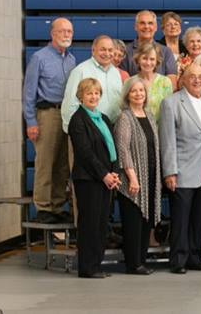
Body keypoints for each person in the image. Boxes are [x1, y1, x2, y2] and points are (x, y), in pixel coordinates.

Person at [158, 64, 201, 274]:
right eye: (192, 76)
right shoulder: (171, 103)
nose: (197, 80)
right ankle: (178, 260)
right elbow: (167, 141)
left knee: (199, 219)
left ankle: (195, 257)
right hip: (182, 170)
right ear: (183, 79)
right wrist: (169, 171)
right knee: (181, 219)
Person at [68, 78, 121, 278]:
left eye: (96, 93)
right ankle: (87, 267)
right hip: (88, 179)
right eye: (89, 93)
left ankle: (97, 265)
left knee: (101, 223)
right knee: (89, 224)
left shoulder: (104, 118)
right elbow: (85, 153)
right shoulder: (77, 120)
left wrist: (114, 171)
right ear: (81, 96)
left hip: (105, 179)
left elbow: (112, 149)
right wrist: (104, 174)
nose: (93, 96)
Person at [23, 17, 75, 224]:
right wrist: (30, 122)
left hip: (66, 115)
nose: (66, 35)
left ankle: (57, 204)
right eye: (62, 31)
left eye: (69, 32)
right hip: (46, 114)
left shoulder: (71, 59)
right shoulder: (39, 57)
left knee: (63, 163)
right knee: (45, 162)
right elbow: (28, 93)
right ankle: (43, 206)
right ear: (52, 34)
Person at [113, 78, 161, 275]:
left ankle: (141, 260)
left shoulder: (149, 116)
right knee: (133, 222)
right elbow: (123, 149)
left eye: (141, 90)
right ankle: (133, 263)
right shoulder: (125, 117)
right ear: (127, 95)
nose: (138, 94)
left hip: (150, 176)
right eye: (134, 91)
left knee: (145, 222)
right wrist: (133, 178)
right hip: (132, 179)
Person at [62, 36, 124, 133]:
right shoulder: (80, 71)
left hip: (111, 129)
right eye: (102, 49)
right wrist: (74, 132)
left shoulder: (115, 73)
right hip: (87, 130)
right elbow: (70, 103)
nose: (107, 53)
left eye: (110, 50)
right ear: (93, 50)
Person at [122, 11, 178, 77]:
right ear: (135, 27)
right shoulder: (126, 51)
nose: (146, 26)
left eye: (150, 23)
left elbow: (171, 82)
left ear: (156, 27)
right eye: (142, 23)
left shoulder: (166, 52)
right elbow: (124, 82)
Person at [131, 42, 173, 122]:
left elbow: (169, 111)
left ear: (157, 61)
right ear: (138, 59)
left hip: (160, 130)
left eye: (152, 59)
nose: (148, 63)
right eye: (144, 58)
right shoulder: (130, 82)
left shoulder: (165, 82)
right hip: (138, 130)